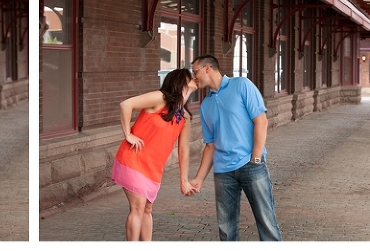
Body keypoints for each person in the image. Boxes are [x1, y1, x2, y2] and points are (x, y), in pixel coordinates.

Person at [188, 54, 282, 241]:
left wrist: (255, 159)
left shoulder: (241, 85)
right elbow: (210, 146)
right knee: (226, 228)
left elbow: (261, 121)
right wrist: (198, 179)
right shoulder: (206, 105)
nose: (193, 76)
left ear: (208, 68)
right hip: (223, 172)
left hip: (251, 166)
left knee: (266, 222)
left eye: (195, 71)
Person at [111, 68, 199, 241]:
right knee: (138, 207)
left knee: (147, 209)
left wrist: (184, 181)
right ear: (180, 81)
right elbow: (126, 104)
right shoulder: (161, 98)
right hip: (133, 159)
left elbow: (183, 151)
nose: (195, 78)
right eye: (191, 77)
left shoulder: (185, 116)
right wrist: (128, 134)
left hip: (153, 169)